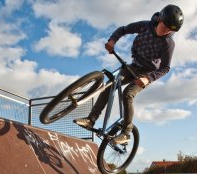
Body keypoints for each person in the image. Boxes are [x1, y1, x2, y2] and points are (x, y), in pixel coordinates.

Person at [74, 4, 184, 144]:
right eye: (165, 26)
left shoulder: (168, 44)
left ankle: (126, 133)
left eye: (169, 30)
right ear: (160, 19)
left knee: (128, 94)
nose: (166, 31)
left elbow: (165, 68)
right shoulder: (145, 26)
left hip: (146, 73)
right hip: (133, 66)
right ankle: (91, 119)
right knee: (110, 85)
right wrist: (112, 41)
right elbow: (124, 29)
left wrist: (148, 78)